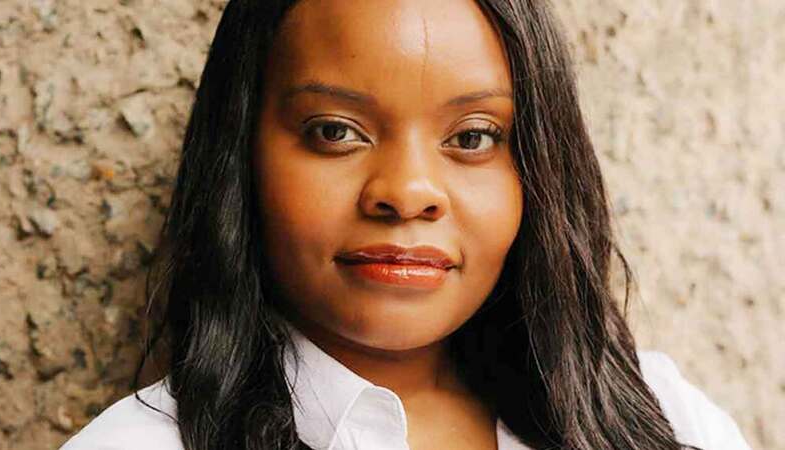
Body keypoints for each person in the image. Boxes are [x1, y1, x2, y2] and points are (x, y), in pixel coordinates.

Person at [60, 0, 753, 449]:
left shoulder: (663, 415)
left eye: (474, 137)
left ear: (539, 171)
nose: (407, 193)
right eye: (335, 131)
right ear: (240, 156)